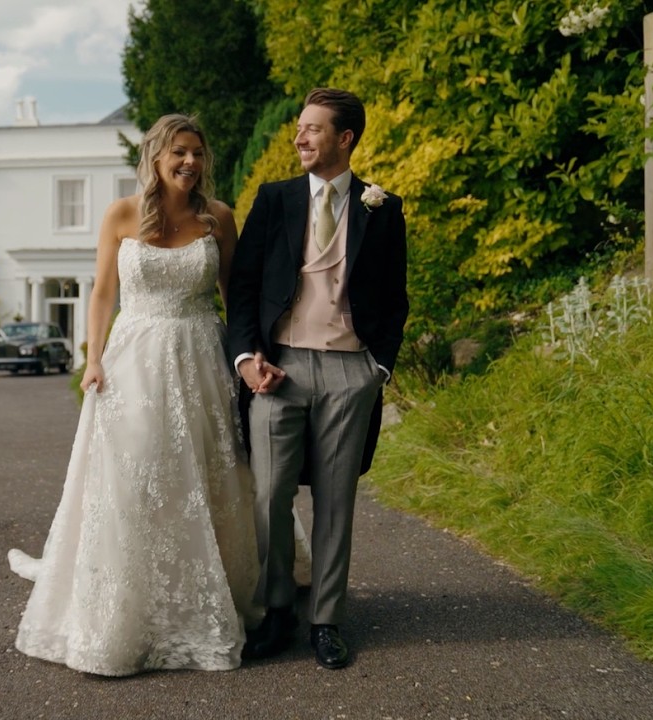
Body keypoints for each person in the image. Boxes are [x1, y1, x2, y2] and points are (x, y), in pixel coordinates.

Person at [8, 114, 308, 676]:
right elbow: (102, 294)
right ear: (155, 156)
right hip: (133, 361)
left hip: (200, 359)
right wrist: (93, 360)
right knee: (137, 475)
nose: (190, 162)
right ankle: (127, 605)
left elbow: (235, 298)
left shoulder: (218, 218)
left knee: (208, 473)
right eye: (179, 152)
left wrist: (253, 357)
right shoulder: (120, 214)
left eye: (198, 152)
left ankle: (219, 594)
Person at [228, 88, 409, 670]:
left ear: (345, 138)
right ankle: (278, 609)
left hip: (349, 369)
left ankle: (326, 620)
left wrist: (376, 369)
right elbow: (245, 290)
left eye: (312, 129)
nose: (300, 138)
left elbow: (394, 300)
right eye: (300, 128)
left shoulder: (384, 207)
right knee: (268, 494)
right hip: (277, 367)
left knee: (337, 501)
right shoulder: (273, 200)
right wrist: (246, 359)